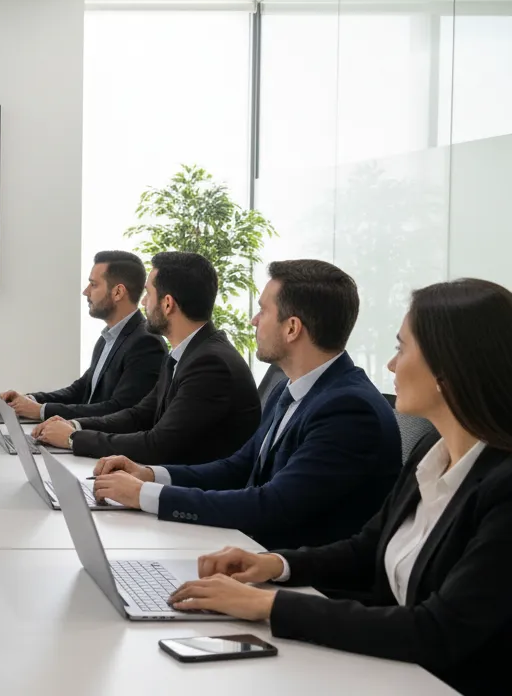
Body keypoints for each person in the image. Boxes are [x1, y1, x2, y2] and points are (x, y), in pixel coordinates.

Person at [168, 279, 512, 696]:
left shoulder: (502, 487)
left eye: (402, 349)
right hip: (385, 672)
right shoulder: (430, 451)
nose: (389, 365)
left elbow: (437, 630)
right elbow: (367, 549)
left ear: (448, 368)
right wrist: (275, 566)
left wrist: (268, 605)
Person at [90, 259, 401, 550]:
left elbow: (271, 504)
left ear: (292, 328)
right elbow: (238, 467)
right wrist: (149, 475)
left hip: (296, 579)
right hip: (249, 552)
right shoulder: (289, 390)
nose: (253, 320)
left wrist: (145, 496)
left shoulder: (348, 410)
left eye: (263, 311)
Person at [32, 251, 259, 464]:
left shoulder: (210, 364)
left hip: (192, 494)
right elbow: (138, 415)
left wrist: (73, 438)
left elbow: (157, 444)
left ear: (167, 304)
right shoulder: (185, 354)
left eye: (148, 294)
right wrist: (74, 425)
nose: (143, 303)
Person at [0, 250, 165, 421]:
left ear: (118, 292)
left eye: (93, 285)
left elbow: (121, 410)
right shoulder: (107, 338)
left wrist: (41, 411)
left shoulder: (146, 343)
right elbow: (81, 390)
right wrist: (30, 400)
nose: (86, 292)